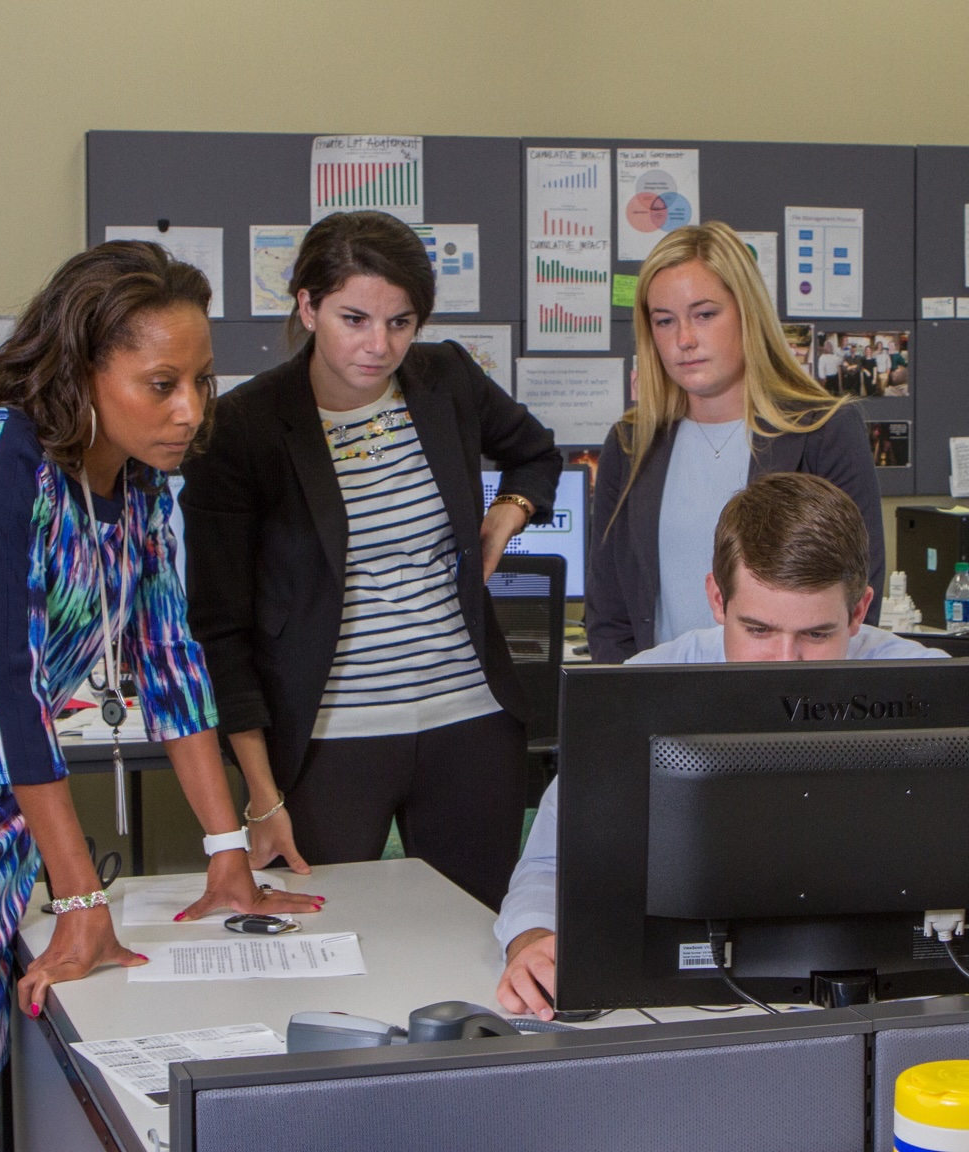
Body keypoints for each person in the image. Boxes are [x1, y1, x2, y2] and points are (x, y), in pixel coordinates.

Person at [0, 241, 322, 1152]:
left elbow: (171, 661)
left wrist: (227, 853)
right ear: (83, 371)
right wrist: (80, 898)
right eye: (161, 383)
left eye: (202, 382)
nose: (190, 412)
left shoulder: (139, 494)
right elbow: (4, 680)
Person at [180, 210, 562, 910]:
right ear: (308, 305)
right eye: (354, 319)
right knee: (327, 947)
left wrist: (510, 512)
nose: (378, 346)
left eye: (399, 322)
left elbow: (536, 453)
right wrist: (262, 797)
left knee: (475, 939)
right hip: (330, 740)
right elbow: (220, 629)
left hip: (469, 723)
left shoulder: (444, 378)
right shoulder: (244, 427)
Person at [498, 472, 945, 1021]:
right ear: (716, 597)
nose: (786, 665)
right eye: (758, 630)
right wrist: (532, 942)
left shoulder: (925, 689)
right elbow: (548, 860)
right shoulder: (645, 689)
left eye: (815, 634)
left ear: (859, 611)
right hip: (681, 1003)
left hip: (889, 1001)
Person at [585, 221, 885, 665]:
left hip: (789, 700)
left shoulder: (824, 431)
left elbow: (856, 598)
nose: (684, 340)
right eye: (664, 321)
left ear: (747, 313)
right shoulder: (631, 444)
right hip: (662, 704)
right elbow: (608, 613)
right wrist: (632, 707)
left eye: (705, 314)